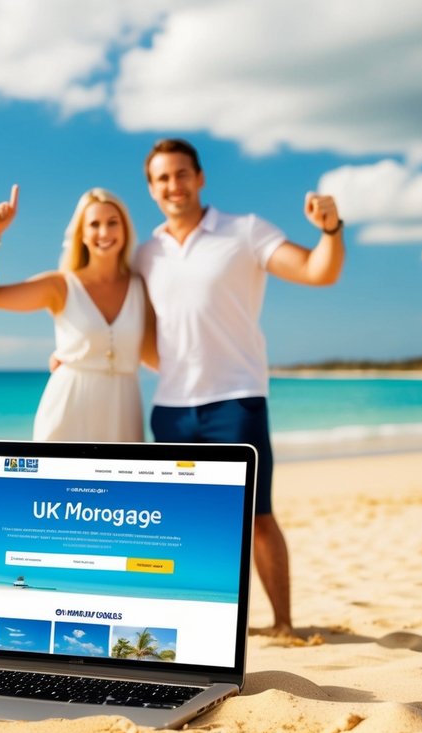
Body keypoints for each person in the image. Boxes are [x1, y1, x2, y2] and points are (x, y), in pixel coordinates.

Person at [135, 138, 346, 635]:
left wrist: (331, 230)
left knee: (256, 516)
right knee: (181, 524)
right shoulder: (145, 254)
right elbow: (134, 329)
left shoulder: (245, 230)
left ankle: (283, 625)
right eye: (162, 178)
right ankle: (196, 623)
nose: (173, 185)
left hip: (236, 401)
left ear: (200, 178)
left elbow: (318, 271)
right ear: (151, 188)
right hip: (171, 409)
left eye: (181, 174)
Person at [0, 185, 155, 441]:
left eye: (112, 222)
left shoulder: (141, 287)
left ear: (125, 229)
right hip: (69, 408)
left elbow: (156, 355)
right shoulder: (61, 286)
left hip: (123, 410)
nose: (104, 232)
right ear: (82, 234)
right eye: (94, 224)